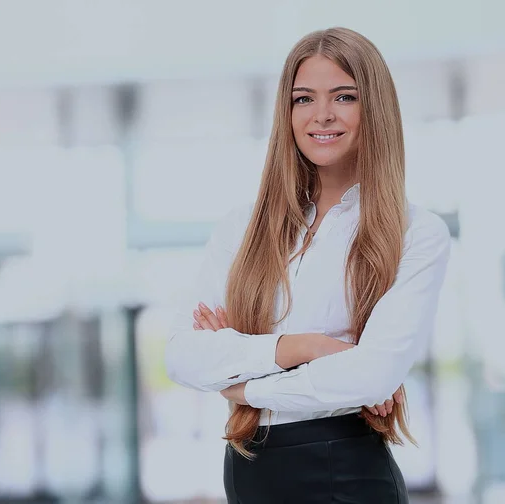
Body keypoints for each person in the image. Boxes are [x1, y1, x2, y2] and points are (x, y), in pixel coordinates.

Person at [165, 26, 451, 503]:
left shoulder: (416, 233)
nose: (322, 115)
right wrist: (311, 348)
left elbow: (371, 377)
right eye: (303, 99)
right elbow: (181, 355)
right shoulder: (242, 229)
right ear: (287, 112)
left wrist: (244, 384)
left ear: (374, 109)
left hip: (347, 471)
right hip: (248, 467)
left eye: (344, 96)